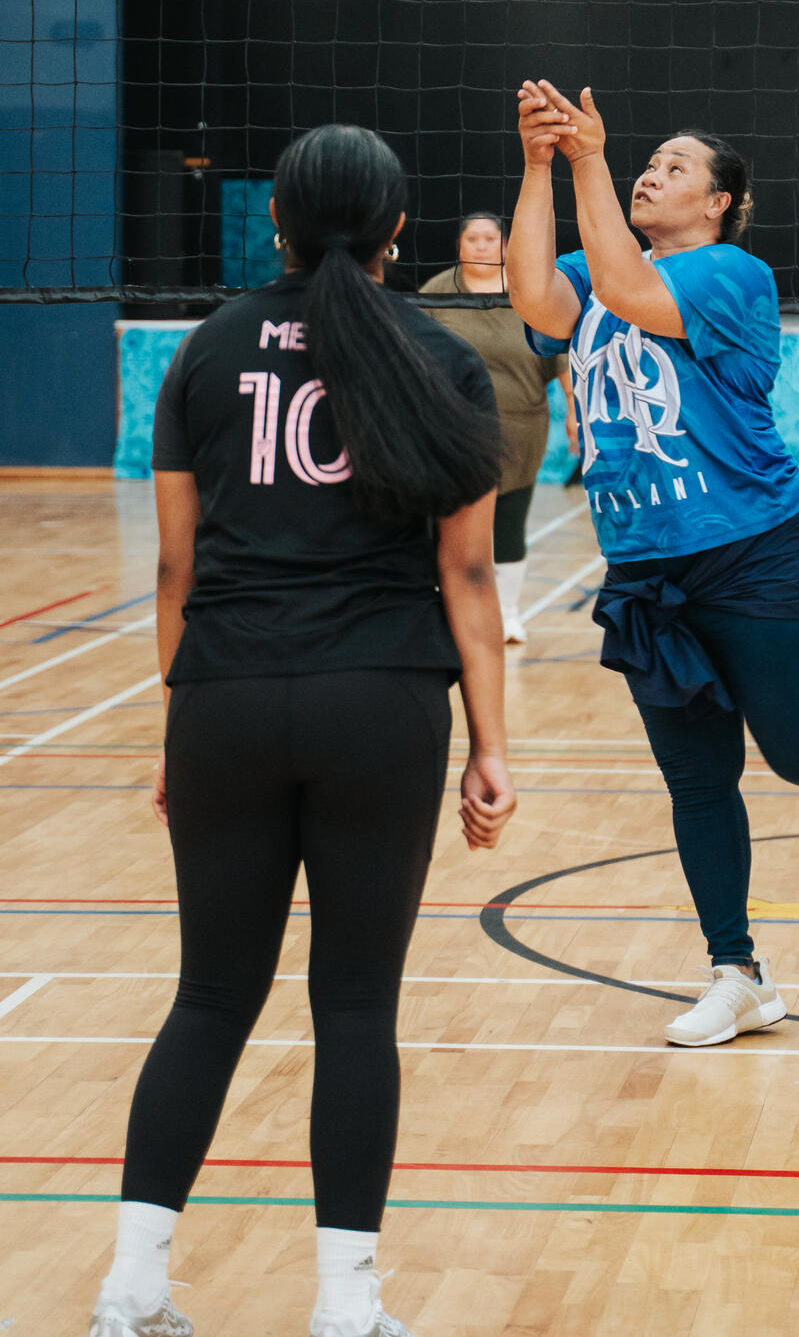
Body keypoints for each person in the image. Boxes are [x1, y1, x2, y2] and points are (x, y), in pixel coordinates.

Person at [90, 126, 516, 1337]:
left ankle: (129, 1292)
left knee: (210, 996)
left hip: (223, 696)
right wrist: (490, 748)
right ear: (399, 233)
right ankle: (345, 1308)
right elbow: (470, 577)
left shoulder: (206, 349)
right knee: (354, 1007)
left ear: (273, 223)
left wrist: (179, 724)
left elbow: (175, 563)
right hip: (378, 702)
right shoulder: (443, 357)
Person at [506, 78, 799, 1049]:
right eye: (645, 164)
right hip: (643, 566)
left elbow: (625, 291)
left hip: (753, 550)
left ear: (717, 200)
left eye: (670, 167)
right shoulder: (597, 265)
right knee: (696, 778)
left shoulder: (730, 274)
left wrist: (591, 159)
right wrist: (535, 164)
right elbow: (531, 296)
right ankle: (737, 974)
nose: (651, 174)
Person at [421, 211, 577, 644]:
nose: (482, 246)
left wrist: (573, 410)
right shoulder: (437, 292)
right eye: (473, 238)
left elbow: (560, 356)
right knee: (447, 526)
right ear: (460, 245)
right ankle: (447, 609)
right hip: (452, 431)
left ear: (505, 245)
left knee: (508, 524)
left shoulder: (528, 290)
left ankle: (506, 614)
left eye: (490, 238)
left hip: (520, 429)